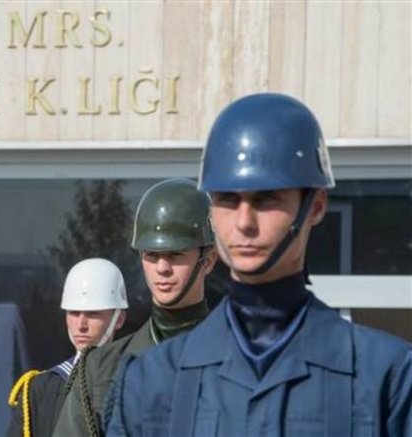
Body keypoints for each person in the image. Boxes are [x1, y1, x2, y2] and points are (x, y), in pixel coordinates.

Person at [105, 93, 412, 436]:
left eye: (266, 199)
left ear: (316, 206)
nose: (244, 222)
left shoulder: (386, 378)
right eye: (227, 199)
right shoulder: (151, 383)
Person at [53, 178, 217, 437]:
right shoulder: (99, 369)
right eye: (151, 255)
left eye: (176, 254)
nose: (162, 268)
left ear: (208, 261)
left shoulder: (237, 357)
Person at [7, 258, 128, 437]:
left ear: (119, 319)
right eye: (73, 313)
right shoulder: (40, 389)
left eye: (93, 314)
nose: (81, 325)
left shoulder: (134, 383)